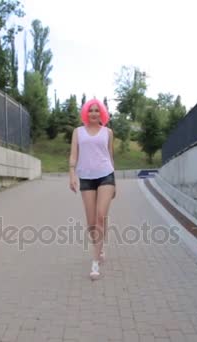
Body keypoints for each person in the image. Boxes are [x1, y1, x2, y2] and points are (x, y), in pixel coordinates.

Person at [68, 99, 116, 280]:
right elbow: (73, 155)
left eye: (97, 110)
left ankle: (95, 263)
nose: (94, 113)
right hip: (86, 178)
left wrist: (115, 183)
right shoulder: (78, 132)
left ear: (102, 113)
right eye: (90, 110)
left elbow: (110, 156)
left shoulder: (108, 132)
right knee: (91, 224)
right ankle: (100, 246)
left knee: (100, 216)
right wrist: (72, 175)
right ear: (86, 113)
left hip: (106, 175)